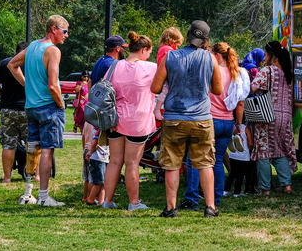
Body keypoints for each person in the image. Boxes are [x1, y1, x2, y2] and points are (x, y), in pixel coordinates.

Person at [150, 20, 223, 218]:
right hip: (201, 118)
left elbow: (155, 88)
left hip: (174, 118)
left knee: (172, 164)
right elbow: (218, 89)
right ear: (206, 40)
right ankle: (210, 207)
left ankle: (171, 208)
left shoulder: (170, 57)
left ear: (188, 34)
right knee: (205, 163)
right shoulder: (210, 59)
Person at [8, 14, 69, 207]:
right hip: (48, 106)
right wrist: (60, 104)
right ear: (54, 29)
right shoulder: (53, 51)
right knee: (47, 152)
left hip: (31, 107)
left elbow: (12, 65)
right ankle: (43, 197)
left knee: (32, 149)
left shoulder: (33, 46)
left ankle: (28, 193)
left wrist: (27, 86)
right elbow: (53, 85)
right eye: (65, 31)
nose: (66, 36)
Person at [182, 42, 249, 209]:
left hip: (208, 120)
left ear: (217, 56)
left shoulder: (212, 71)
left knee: (195, 160)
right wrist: (238, 124)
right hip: (227, 122)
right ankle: (215, 199)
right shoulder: (237, 74)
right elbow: (240, 103)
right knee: (217, 161)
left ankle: (192, 198)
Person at [101, 31, 158, 211]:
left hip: (115, 119)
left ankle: (107, 201)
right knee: (132, 163)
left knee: (115, 161)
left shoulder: (114, 66)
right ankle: (134, 203)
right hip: (138, 121)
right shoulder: (150, 68)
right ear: (144, 50)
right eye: (149, 52)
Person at [250, 41, 297, 195]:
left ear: (272, 56)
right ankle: (286, 185)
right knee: (280, 150)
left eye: (266, 53)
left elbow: (253, 87)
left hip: (267, 115)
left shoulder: (267, 71)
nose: (264, 56)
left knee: (263, 151)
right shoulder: (289, 72)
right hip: (285, 117)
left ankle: (265, 189)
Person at [0, 41, 31, 183]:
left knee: (8, 144)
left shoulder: (4, 63)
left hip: (8, 109)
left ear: (16, 52)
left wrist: (3, 95)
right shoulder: (32, 63)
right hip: (28, 108)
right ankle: (32, 174)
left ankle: (7, 178)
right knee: (31, 142)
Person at [154, 27, 183, 121]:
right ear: (171, 41)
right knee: (165, 90)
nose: (177, 48)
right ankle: (157, 108)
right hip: (166, 76)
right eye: (177, 45)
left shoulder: (162, 48)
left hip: (164, 74)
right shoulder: (168, 50)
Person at [225, 123, 253, 197]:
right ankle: (237, 192)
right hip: (244, 156)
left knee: (232, 173)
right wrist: (251, 148)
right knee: (240, 175)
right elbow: (250, 143)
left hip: (233, 155)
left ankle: (226, 190)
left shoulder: (232, 127)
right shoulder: (246, 128)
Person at [85, 127, 108, 205]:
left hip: (103, 159)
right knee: (98, 183)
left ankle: (101, 202)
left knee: (104, 183)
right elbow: (95, 143)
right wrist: (90, 152)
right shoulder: (99, 131)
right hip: (98, 159)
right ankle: (90, 199)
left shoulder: (102, 129)